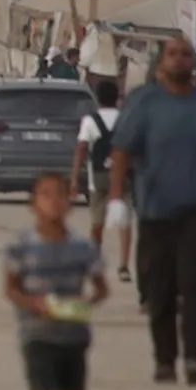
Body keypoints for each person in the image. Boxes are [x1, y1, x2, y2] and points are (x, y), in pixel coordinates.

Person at [107, 36, 196, 385]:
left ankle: (195, 356)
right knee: (160, 290)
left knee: (195, 283)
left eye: (187, 55)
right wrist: (117, 199)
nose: (180, 60)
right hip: (156, 212)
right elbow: (121, 151)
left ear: (194, 62)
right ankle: (165, 359)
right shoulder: (144, 102)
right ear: (161, 63)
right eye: (174, 55)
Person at [5, 172, 109, 390]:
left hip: (73, 334)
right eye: (46, 194)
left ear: (70, 203)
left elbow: (100, 288)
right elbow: (11, 288)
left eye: (60, 194)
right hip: (37, 333)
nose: (54, 201)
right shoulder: (21, 245)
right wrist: (31, 303)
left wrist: (84, 303)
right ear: (33, 204)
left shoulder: (83, 247)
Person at [68, 80, 127, 280]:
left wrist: (75, 179)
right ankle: (124, 265)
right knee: (125, 222)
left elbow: (81, 151)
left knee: (97, 222)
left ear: (98, 99)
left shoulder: (90, 121)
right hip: (123, 176)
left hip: (99, 178)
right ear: (117, 98)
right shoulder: (126, 119)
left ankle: (94, 261)